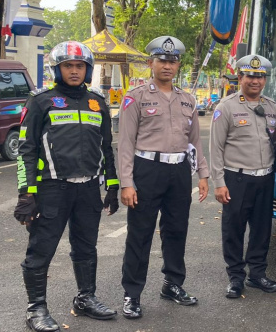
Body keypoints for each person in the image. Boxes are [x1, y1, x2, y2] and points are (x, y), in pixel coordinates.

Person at [14, 41, 119, 331]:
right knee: (41, 250)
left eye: (80, 66)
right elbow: (26, 149)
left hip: (87, 190)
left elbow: (106, 147)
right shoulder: (40, 100)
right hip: (51, 190)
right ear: (57, 69)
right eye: (68, 66)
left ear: (88, 69)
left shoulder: (97, 101)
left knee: (86, 248)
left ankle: (85, 298)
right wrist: (26, 193)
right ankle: (35, 309)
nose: (74, 71)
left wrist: (111, 185)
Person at [118, 36, 210, 319]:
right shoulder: (136, 97)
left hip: (179, 172)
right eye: (162, 60)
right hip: (147, 170)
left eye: (172, 61)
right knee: (140, 233)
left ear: (178, 64)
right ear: (151, 63)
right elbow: (125, 143)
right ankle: (132, 294)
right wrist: (127, 182)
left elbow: (194, 143)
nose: (167, 66)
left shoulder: (188, 100)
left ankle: (172, 284)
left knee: (176, 231)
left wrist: (203, 175)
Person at [210, 54, 276, 298]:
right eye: (250, 76)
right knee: (233, 229)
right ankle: (235, 278)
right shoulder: (226, 107)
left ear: (264, 80)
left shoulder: (271, 106)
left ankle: (257, 274)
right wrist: (219, 183)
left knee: (262, 229)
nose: (255, 81)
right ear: (240, 77)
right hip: (237, 179)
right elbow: (216, 148)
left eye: (260, 76)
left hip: (264, 179)